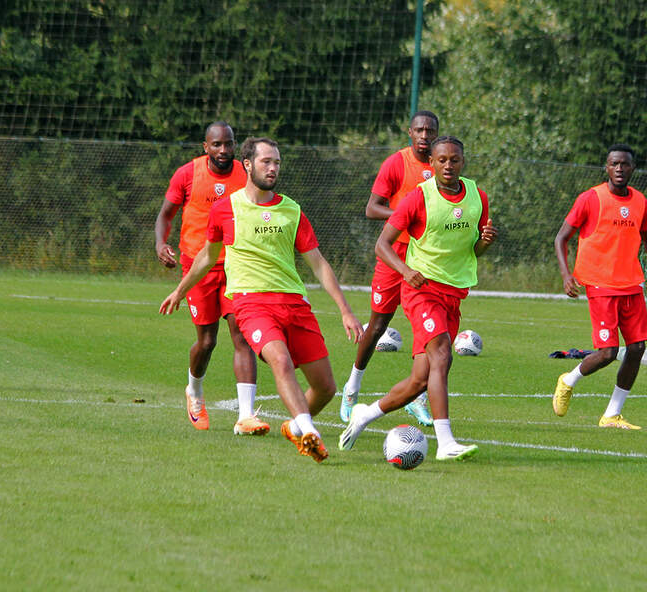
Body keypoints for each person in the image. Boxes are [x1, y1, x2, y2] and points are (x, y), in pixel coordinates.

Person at [160, 137, 361, 462]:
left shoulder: (291, 210)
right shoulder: (225, 209)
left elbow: (319, 264)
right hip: (251, 304)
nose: (273, 168)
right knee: (279, 361)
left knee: (325, 388)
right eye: (267, 161)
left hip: (295, 303)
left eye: (277, 162)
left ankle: (295, 427)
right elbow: (207, 257)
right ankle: (309, 431)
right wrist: (180, 291)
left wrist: (345, 311)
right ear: (248, 165)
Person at [339, 136, 497, 462]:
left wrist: (484, 242)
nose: (448, 165)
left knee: (420, 380)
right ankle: (446, 442)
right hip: (422, 290)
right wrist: (406, 270)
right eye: (442, 160)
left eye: (454, 159)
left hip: (454, 293)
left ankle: (365, 415)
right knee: (442, 357)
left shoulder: (478, 197)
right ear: (433, 164)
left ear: (462, 161)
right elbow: (382, 245)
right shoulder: (418, 198)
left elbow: (473, 250)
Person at [551, 144, 647, 429]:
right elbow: (562, 238)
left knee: (636, 349)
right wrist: (566, 275)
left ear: (633, 168)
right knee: (608, 352)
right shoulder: (590, 198)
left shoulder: (640, 202)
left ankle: (611, 414)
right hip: (600, 284)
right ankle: (568, 380)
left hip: (631, 284)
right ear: (606, 167)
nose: (619, 169)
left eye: (625, 164)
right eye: (614, 164)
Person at [155, 121, 269, 435]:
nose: (223, 150)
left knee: (242, 337)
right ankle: (194, 391)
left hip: (235, 265)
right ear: (206, 146)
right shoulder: (187, 174)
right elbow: (166, 214)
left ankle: (246, 416)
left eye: (228, 144)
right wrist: (160, 243)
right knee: (207, 342)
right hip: (198, 266)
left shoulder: (244, 176)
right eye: (216, 144)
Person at [339, 111, 439, 428]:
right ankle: (352, 388)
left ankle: (417, 399)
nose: (425, 135)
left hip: (426, 258)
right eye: (420, 130)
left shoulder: (442, 165)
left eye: (430, 130)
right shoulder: (396, 163)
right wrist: (404, 213)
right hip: (393, 255)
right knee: (378, 326)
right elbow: (372, 208)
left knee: (426, 330)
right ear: (410, 132)